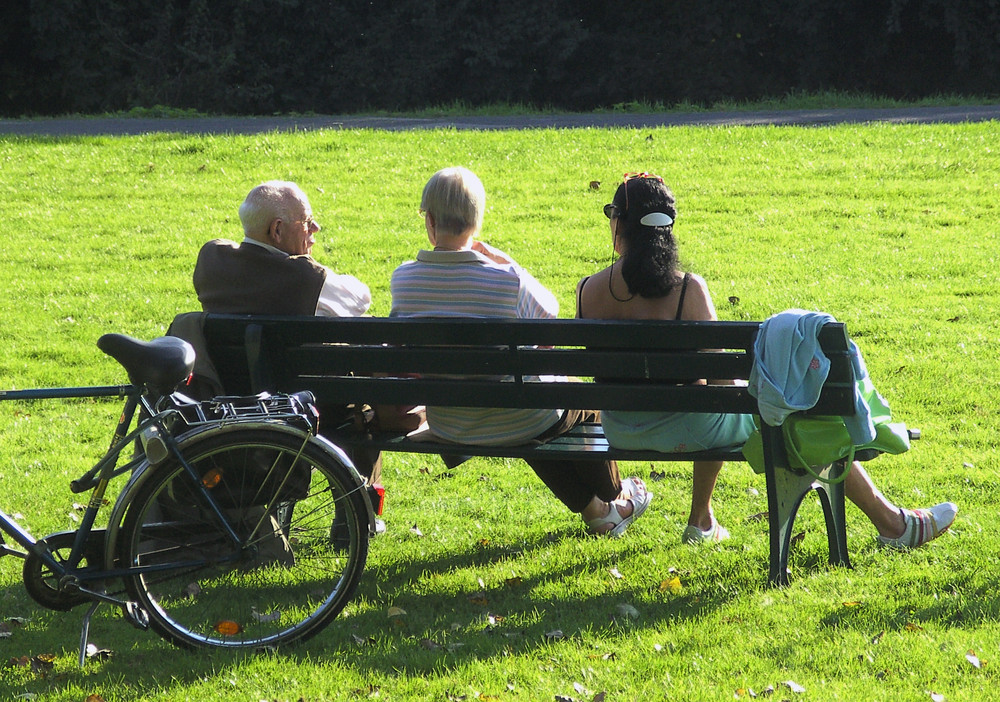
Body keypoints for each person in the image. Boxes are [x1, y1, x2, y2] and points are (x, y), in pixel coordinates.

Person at [575, 172, 957, 547]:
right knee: (793, 409)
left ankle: (704, 519)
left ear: (618, 224)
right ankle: (892, 523)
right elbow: (722, 389)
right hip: (693, 431)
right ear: (668, 229)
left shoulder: (588, 291)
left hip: (620, 428)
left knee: (767, 405)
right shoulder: (688, 289)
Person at [390, 166, 651, 536]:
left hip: (451, 424)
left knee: (527, 413)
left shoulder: (403, 280)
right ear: (476, 223)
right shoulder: (505, 280)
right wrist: (506, 262)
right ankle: (616, 496)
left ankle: (600, 512)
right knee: (576, 408)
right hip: (518, 419)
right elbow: (550, 313)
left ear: (429, 221)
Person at [192, 180, 382, 488]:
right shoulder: (306, 278)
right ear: (277, 230)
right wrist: (304, 262)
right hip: (300, 404)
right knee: (363, 411)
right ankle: (360, 508)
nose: (316, 228)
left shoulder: (211, 260)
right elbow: (360, 298)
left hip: (230, 399)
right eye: (307, 222)